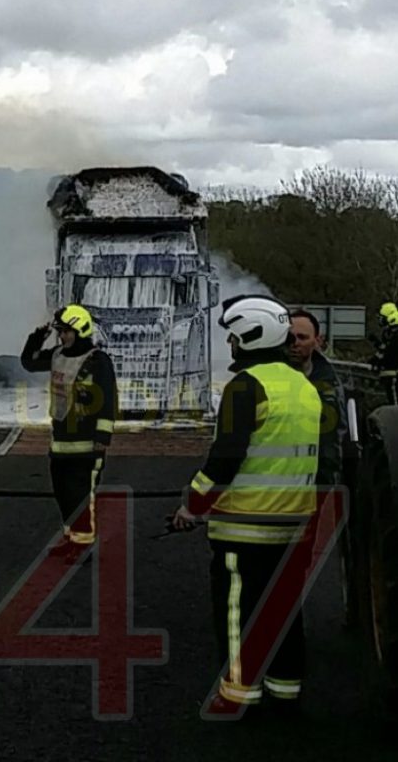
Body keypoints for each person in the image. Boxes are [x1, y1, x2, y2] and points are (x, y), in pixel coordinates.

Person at [173, 295, 322, 712]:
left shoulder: (246, 387)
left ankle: (239, 693)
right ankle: (285, 686)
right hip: (293, 521)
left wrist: (193, 507)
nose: (231, 345)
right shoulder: (302, 386)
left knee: (238, 611)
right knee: (284, 609)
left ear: (250, 336)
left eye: (234, 337)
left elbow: (225, 457)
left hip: (246, 524)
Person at [21, 304, 118, 559]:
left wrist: (102, 438)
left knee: (82, 496)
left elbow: (108, 401)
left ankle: (84, 545)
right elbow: (29, 363)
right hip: (61, 441)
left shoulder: (98, 361)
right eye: (60, 332)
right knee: (64, 494)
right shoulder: (57, 355)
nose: (62, 337)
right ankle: (71, 538)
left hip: (87, 445)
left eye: (66, 331)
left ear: (80, 330)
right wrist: (37, 338)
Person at [288, 309, 347, 486]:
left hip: (313, 483)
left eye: (302, 337)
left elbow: (333, 439)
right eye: (289, 338)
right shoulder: (266, 378)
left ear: (317, 341)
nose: (295, 343)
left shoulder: (329, 385)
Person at [370, 302, 398, 405]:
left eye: (382, 318)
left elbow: (390, 353)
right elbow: (384, 350)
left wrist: (380, 362)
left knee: (394, 405)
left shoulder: (395, 336)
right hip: (389, 376)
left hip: (394, 376)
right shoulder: (388, 334)